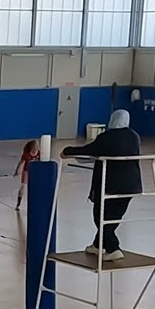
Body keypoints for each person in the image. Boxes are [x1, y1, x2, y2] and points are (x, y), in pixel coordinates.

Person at [61, 110, 141, 262]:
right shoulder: (134, 137)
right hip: (132, 185)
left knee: (100, 216)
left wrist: (68, 151)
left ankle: (113, 248)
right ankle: (97, 245)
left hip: (110, 184)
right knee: (114, 216)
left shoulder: (107, 137)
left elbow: (89, 150)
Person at [13, 139, 41, 210]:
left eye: (37, 145)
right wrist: (17, 171)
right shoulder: (26, 154)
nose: (37, 146)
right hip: (26, 171)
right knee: (23, 186)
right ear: (32, 147)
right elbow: (21, 162)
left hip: (35, 172)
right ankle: (18, 203)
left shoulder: (39, 153)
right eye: (35, 145)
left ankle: (36, 203)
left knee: (36, 187)